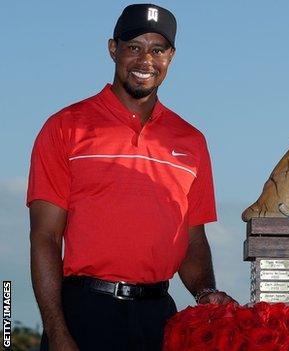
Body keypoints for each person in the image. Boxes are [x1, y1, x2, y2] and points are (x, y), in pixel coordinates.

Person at [27, 4, 235, 350]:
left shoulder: (191, 140)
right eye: (134, 47)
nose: (145, 61)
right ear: (113, 49)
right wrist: (58, 332)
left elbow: (192, 238)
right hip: (85, 313)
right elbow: (45, 237)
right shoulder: (65, 127)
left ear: (171, 56)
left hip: (159, 318)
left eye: (157, 50)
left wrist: (204, 291)